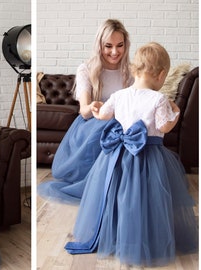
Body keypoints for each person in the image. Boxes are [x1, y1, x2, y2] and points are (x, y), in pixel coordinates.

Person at [64, 42, 198, 267]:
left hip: (117, 157)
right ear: (162, 74)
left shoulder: (119, 95)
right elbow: (164, 127)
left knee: (119, 196)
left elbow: (103, 115)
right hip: (149, 157)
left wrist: (95, 108)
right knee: (146, 198)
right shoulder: (159, 99)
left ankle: (117, 235)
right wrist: (176, 113)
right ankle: (144, 236)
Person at [38, 19, 133, 204]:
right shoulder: (87, 69)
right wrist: (93, 107)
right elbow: (84, 110)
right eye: (108, 46)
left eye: (120, 45)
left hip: (122, 121)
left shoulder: (130, 71)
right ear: (99, 45)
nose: (115, 52)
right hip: (94, 122)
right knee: (106, 126)